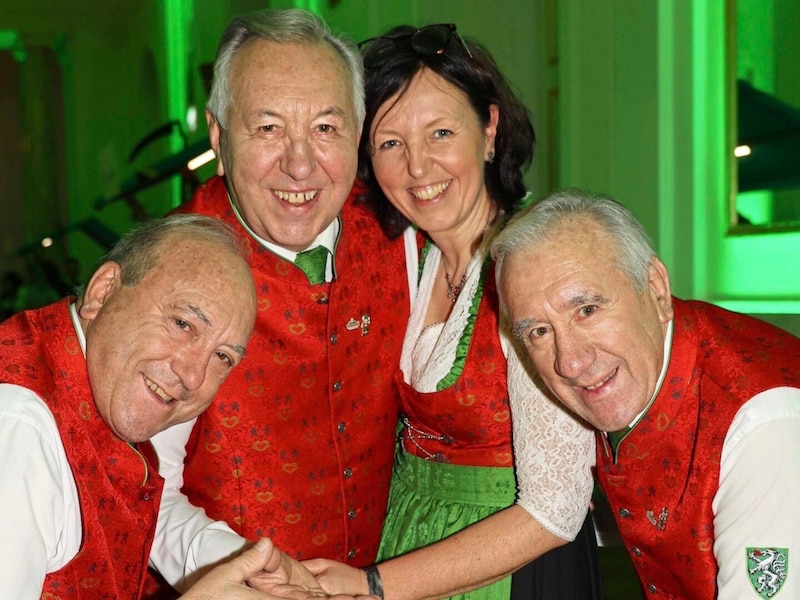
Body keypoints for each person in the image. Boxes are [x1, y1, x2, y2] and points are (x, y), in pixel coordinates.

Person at [304, 24, 600, 600]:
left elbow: (555, 510)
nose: (418, 168)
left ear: (489, 130)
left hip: (513, 568)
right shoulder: (403, 262)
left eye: (441, 132)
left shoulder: (533, 265)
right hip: (406, 548)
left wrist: (374, 585)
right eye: (390, 143)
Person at [147, 7, 412, 595]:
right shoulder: (163, 276)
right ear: (218, 137)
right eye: (268, 128)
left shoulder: (403, 234)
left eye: (325, 128)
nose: (299, 164)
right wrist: (255, 571)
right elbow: (144, 490)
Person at [491, 188, 800, 599]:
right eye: (539, 332)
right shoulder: (631, 367)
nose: (571, 362)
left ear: (655, 289)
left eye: (587, 310)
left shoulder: (764, 427)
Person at [0, 213, 287, 597]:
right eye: (183, 324)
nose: (193, 377)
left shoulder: (101, 379)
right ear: (103, 292)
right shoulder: (18, 426)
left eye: (222, 357)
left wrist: (250, 566)